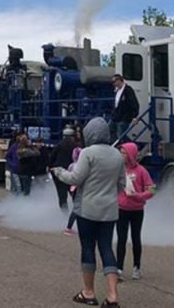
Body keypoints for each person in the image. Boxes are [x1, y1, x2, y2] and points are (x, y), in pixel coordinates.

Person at [52, 117, 125, 307]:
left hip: (87, 209)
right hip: (109, 210)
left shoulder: (87, 153)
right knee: (107, 248)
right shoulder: (117, 154)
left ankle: (89, 292)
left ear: (89, 134)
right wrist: (109, 194)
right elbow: (122, 184)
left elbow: (75, 178)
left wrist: (59, 172)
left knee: (87, 248)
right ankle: (112, 296)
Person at [116, 142, 155, 281]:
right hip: (121, 209)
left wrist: (139, 196)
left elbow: (152, 190)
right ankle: (119, 268)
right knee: (121, 239)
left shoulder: (141, 171)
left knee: (135, 238)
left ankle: (136, 267)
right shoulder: (118, 169)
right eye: (120, 152)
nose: (121, 155)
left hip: (137, 210)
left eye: (124, 153)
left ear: (131, 154)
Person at [52, 128, 78, 210]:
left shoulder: (59, 146)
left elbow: (51, 158)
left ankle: (64, 214)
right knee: (75, 195)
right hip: (72, 173)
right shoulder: (76, 147)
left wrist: (52, 169)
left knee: (62, 196)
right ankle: (76, 212)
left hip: (60, 174)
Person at [111, 74, 139, 142]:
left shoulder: (128, 90)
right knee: (112, 131)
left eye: (114, 81)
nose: (113, 83)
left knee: (121, 135)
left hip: (125, 117)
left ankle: (131, 146)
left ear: (119, 80)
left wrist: (134, 116)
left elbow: (134, 103)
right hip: (116, 117)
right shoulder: (117, 91)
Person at [63, 146, 83, 236]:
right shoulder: (82, 165)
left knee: (76, 208)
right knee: (77, 209)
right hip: (79, 188)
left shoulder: (71, 165)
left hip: (72, 188)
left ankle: (70, 227)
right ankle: (69, 227)